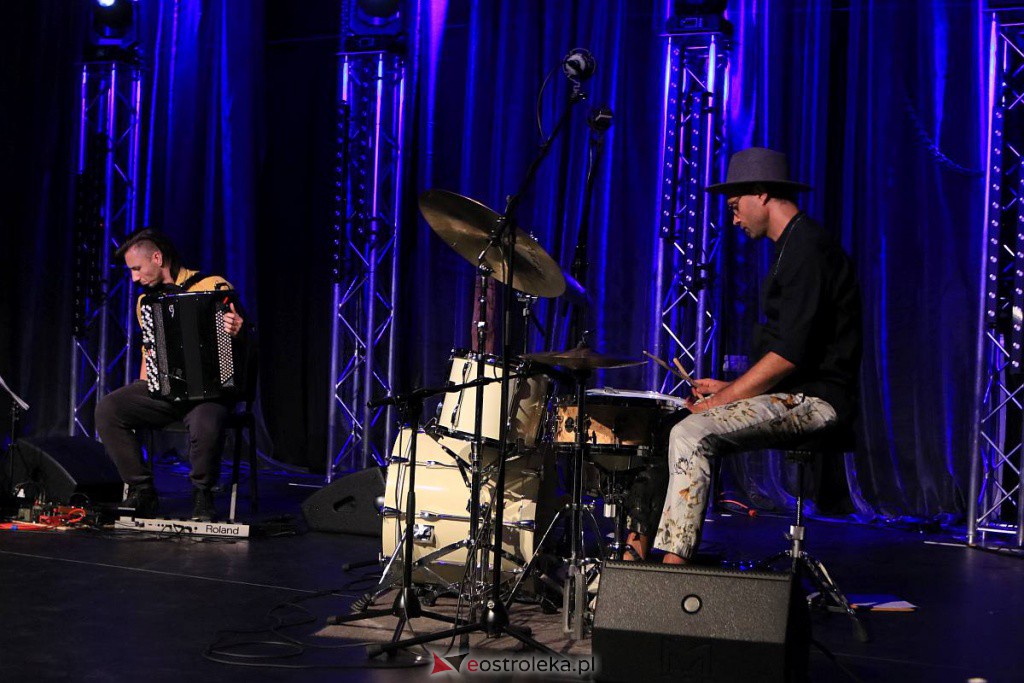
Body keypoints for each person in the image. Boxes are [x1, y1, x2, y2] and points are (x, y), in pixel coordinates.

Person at [626, 147, 862, 563]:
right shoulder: (792, 248)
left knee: (692, 433)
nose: (734, 219)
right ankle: (634, 553)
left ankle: (672, 568)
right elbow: (793, 351)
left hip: (818, 401)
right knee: (670, 423)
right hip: (793, 393)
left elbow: (788, 355)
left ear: (761, 193)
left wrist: (725, 398)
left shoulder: (809, 249)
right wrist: (727, 388)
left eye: (736, 207)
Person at [95, 228, 247, 521]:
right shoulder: (146, 302)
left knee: (205, 421)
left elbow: (244, 340)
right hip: (166, 390)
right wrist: (144, 388)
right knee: (109, 409)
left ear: (157, 257)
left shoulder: (213, 286)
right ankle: (143, 491)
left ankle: (202, 495)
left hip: (210, 392)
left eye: (137, 269)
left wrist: (238, 329)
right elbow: (149, 351)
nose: (134, 278)